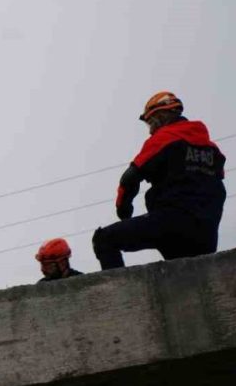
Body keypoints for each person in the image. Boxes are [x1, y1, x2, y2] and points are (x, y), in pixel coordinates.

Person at [92, 92, 226, 269]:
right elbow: (216, 183)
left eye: (151, 122)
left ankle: (117, 294)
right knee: (186, 276)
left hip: (170, 222)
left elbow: (129, 179)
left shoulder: (163, 138)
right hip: (207, 232)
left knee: (104, 239)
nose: (150, 129)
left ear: (160, 116)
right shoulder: (213, 150)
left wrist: (123, 209)